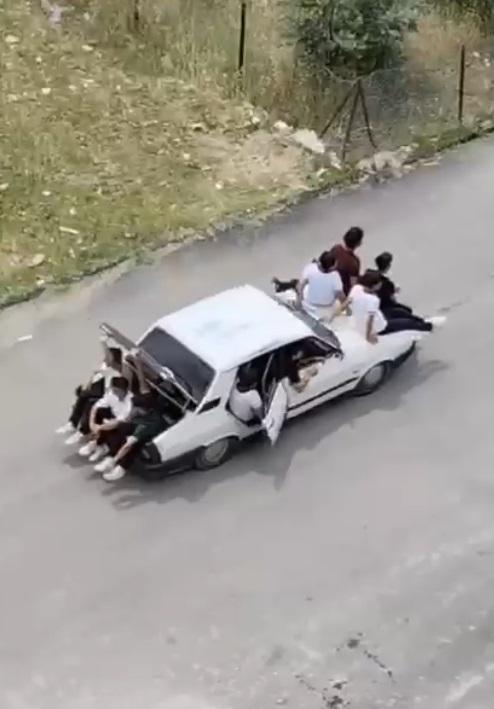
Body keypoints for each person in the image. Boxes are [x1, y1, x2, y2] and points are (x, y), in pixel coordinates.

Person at [333, 271, 445, 344]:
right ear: (374, 285)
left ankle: (423, 321)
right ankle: (429, 326)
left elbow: (347, 302)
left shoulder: (356, 288)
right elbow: (370, 320)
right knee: (408, 323)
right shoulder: (373, 300)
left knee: (401, 312)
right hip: (381, 326)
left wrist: (335, 314)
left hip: (369, 319)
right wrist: (368, 336)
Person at [56, 338, 123, 445]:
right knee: (83, 394)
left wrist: (103, 343)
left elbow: (109, 358)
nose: (105, 359)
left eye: (107, 357)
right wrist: (87, 384)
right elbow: (95, 375)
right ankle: (72, 423)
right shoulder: (104, 366)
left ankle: (82, 432)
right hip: (100, 391)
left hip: (108, 396)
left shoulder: (116, 370)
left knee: (91, 403)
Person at [78, 375, 133, 459]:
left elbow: (118, 422)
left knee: (119, 426)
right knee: (98, 410)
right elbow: (95, 407)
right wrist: (92, 424)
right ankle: (95, 441)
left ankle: (103, 447)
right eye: (114, 390)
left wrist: (99, 427)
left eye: (117, 391)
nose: (114, 393)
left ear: (124, 390)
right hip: (113, 416)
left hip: (124, 423)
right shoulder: (112, 394)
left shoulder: (130, 402)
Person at [297, 251, 345, 321]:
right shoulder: (335, 276)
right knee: (337, 292)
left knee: (305, 285)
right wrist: (346, 307)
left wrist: (299, 299)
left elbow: (300, 285)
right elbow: (340, 295)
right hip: (327, 306)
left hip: (310, 303)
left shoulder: (310, 268)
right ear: (331, 267)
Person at [328, 226, 364, 296]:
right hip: (343, 292)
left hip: (330, 284)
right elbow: (353, 285)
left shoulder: (336, 248)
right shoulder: (354, 262)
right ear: (358, 243)